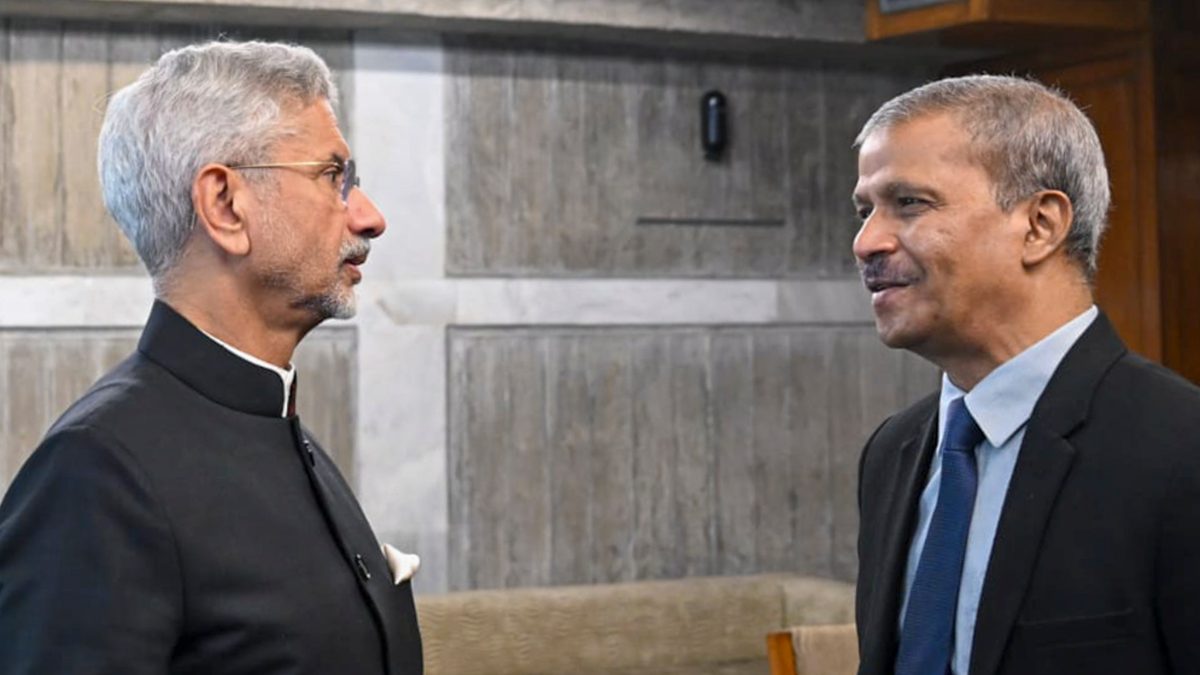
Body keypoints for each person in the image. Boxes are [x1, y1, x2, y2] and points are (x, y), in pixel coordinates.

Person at [0, 41, 423, 674]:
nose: (369, 216)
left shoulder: (274, 420)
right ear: (225, 205)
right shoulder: (96, 472)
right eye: (334, 177)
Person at [851, 74, 1200, 675]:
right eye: (864, 210)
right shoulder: (892, 451)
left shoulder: (1182, 449)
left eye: (909, 203)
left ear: (1040, 225)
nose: (866, 242)